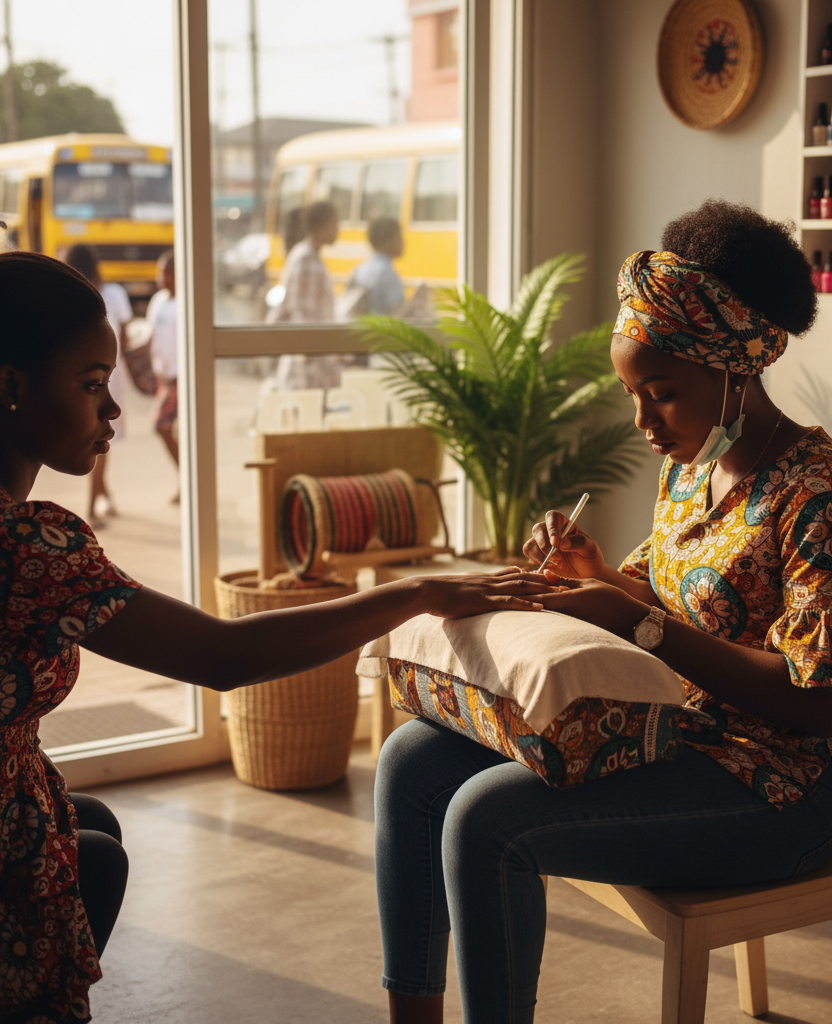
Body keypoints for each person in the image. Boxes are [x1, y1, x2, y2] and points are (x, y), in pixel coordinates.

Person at [373, 200, 832, 1024]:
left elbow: (818, 707)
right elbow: (674, 604)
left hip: (786, 788)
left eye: (660, 394)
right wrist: (599, 577)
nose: (642, 422)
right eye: (633, 393)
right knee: (410, 758)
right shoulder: (694, 466)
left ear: (734, 369)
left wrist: (638, 625)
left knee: (487, 822)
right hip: (682, 732)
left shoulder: (827, 499)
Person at [0, 250, 557, 1024]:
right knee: (90, 850)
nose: (114, 410)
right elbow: (225, 655)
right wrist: (418, 592)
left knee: (89, 826)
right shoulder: (28, 547)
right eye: (92, 385)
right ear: (11, 386)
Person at [62, 244, 134, 527]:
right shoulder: (113, 294)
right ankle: (96, 504)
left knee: (95, 438)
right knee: (100, 438)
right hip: (112, 377)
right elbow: (125, 340)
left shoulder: (67, 299)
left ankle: (98, 500)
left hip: (80, 380)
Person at [268, 201, 342, 390]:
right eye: (334, 224)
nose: (338, 230)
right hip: (307, 362)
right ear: (321, 225)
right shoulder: (305, 259)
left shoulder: (310, 256)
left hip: (312, 358)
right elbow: (302, 314)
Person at [146, 250, 179, 502]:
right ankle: (187, 479)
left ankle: (189, 479)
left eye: (168, 273)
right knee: (169, 428)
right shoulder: (157, 302)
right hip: (165, 377)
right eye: (161, 273)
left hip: (181, 377)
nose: (163, 278)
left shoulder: (186, 302)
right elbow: (153, 339)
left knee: (162, 425)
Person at [346, 216, 406, 315]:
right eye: (399, 237)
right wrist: (415, 302)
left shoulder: (359, 270)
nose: (403, 242)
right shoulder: (387, 273)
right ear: (387, 241)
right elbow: (395, 313)